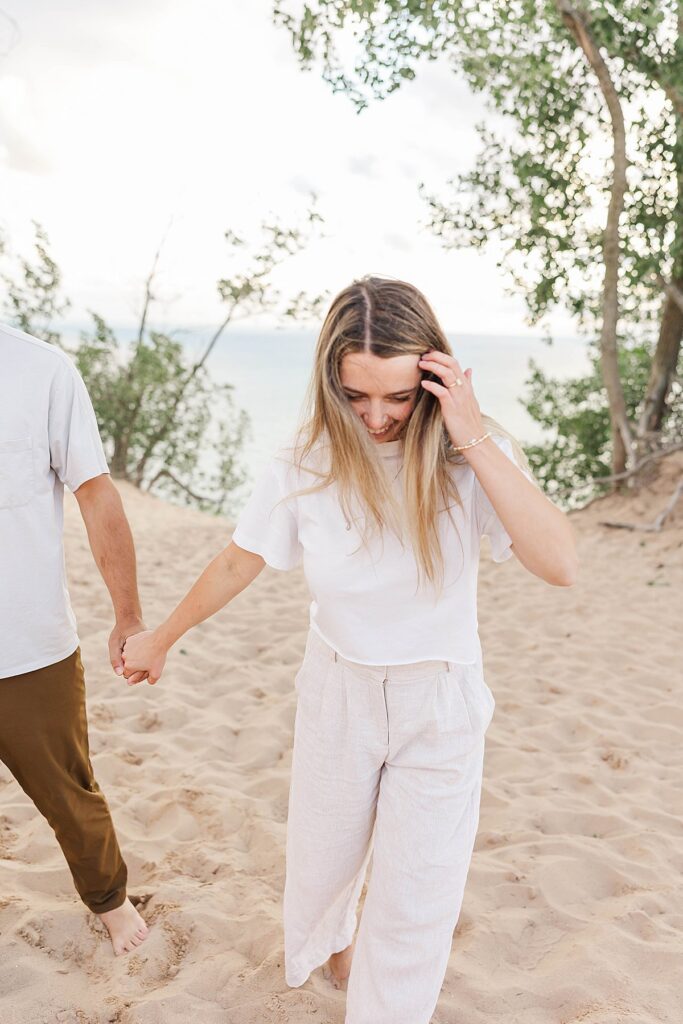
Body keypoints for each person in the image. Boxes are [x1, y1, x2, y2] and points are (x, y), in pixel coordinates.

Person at [121, 276, 577, 1022]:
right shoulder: (304, 460)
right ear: (331, 381)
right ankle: (336, 947)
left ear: (434, 377)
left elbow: (559, 563)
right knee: (322, 868)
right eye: (355, 394)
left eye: (398, 396)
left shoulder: (473, 459)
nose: (376, 417)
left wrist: (469, 432)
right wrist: (162, 637)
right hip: (338, 690)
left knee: (416, 896)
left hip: (440, 700)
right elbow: (243, 557)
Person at [0, 322, 150, 956]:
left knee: (70, 793)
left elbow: (95, 492)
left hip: (29, 647)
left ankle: (111, 904)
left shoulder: (42, 370)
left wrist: (129, 615)